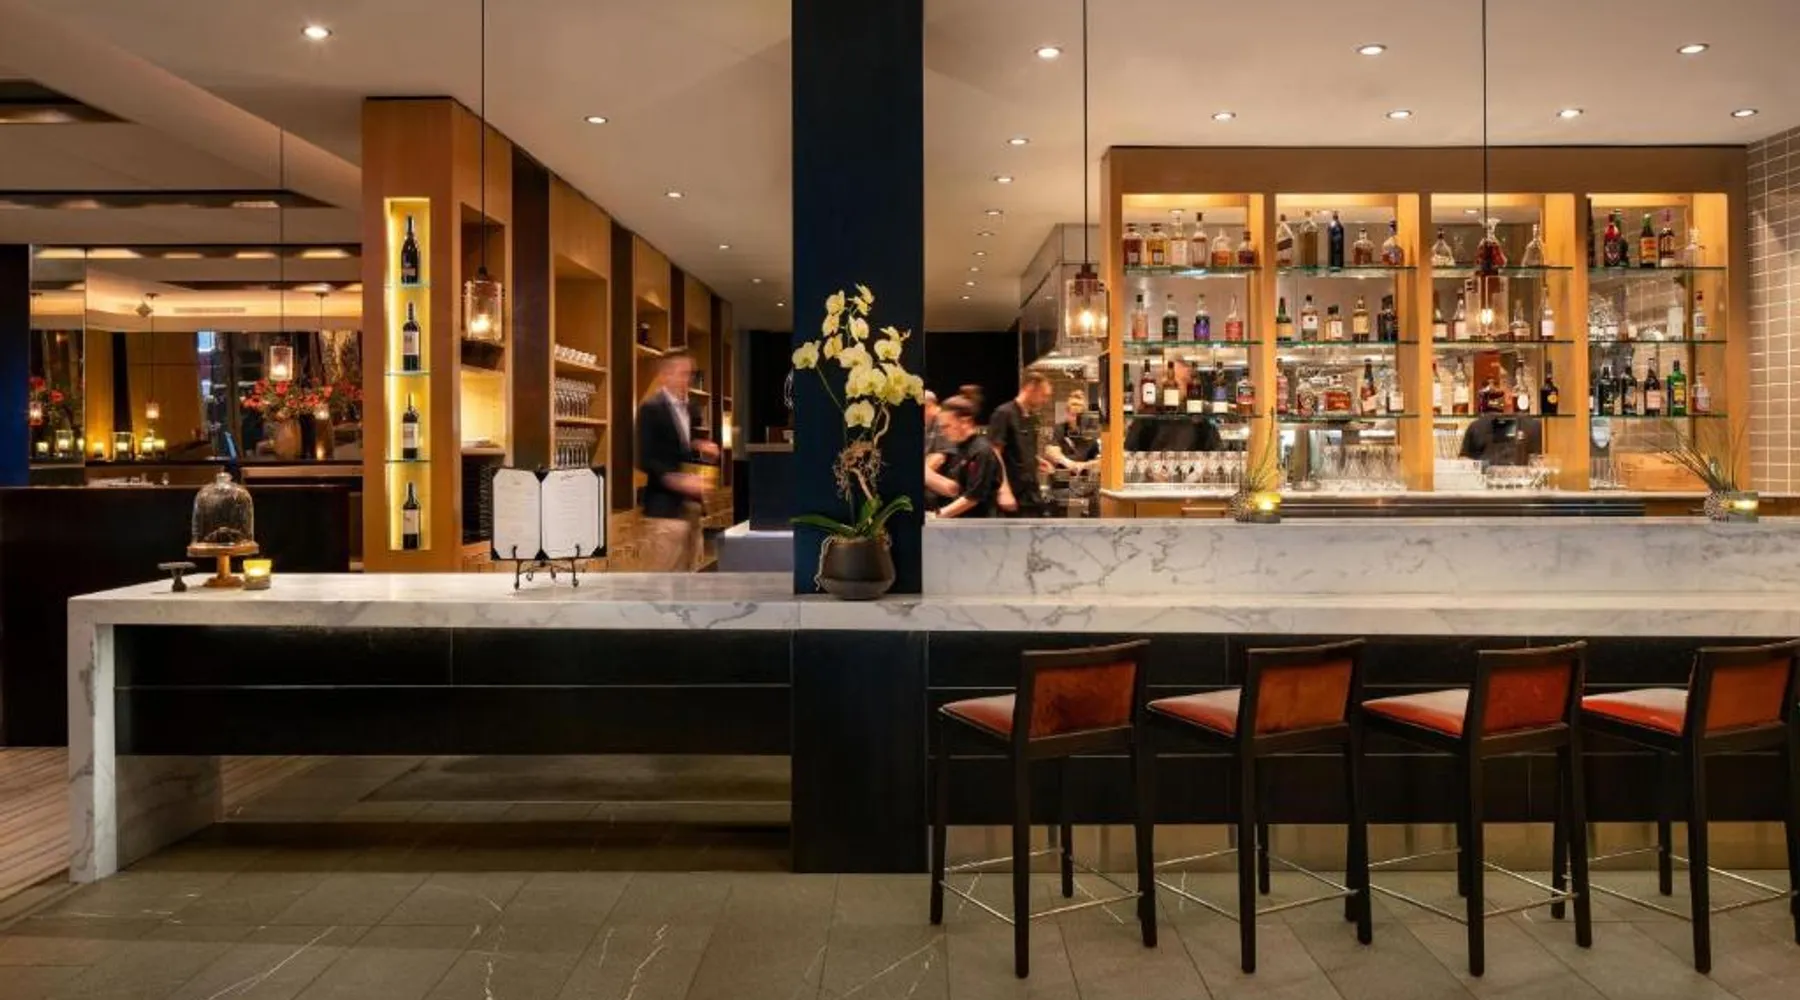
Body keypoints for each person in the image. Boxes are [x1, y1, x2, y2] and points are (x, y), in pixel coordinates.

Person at [637, 351, 718, 571]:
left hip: (692, 508)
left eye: (689, 374)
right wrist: (676, 480)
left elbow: (683, 446)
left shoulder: (692, 408)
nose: (687, 379)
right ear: (665, 374)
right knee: (664, 581)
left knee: (690, 576)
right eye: (682, 373)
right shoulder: (650, 409)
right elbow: (645, 458)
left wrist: (700, 445)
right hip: (664, 511)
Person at [986, 371, 1053, 516]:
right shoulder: (1004, 413)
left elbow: (1019, 450)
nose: (1045, 400)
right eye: (1043, 395)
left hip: (1030, 491)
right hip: (1011, 492)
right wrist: (1003, 490)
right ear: (1030, 388)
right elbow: (994, 453)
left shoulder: (1032, 418)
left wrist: (1036, 461)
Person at [932, 395, 1000, 518]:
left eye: (946, 426)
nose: (942, 432)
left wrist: (939, 515)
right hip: (957, 523)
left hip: (978, 525)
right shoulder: (956, 450)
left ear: (965, 422)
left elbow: (973, 497)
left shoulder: (982, 451)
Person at [1045, 389, 1100, 474]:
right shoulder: (1060, 429)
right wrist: (1070, 464)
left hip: (1083, 478)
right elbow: (1051, 451)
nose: (1076, 419)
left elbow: (1100, 460)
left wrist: (1083, 465)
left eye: (1079, 415)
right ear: (1067, 413)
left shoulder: (1090, 432)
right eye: (1073, 415)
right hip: (1062, 477)